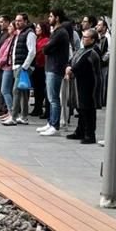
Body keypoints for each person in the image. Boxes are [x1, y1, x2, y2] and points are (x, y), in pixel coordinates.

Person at [38, 9, 71, 137]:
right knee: (51, 96)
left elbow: (46, 48)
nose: (49, 18)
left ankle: (55, 125)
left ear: (57, 18)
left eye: (51, 16)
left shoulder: (60, 33)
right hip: (51, 67)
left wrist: (46, 48)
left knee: (53, 98)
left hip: (55, 68)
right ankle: (50, 122)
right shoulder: (57, 32)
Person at [65, 29, 101, 144]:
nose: (83, 39)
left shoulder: (93, 52)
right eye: (83, 36)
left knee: (88, 109)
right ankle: (80, 131)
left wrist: (71, 69)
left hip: (89, 84)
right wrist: (68, 67)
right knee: (80, 108)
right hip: (78, 82)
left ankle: (90, 134)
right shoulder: (81, 50)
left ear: (93, 39)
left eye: (86, 37)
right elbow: (72, 61)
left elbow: (82, 64)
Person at [9, 13, 37, 125]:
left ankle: (14, 117)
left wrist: (24, 66)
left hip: (23, 66)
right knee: (23, 92)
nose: (17, 22)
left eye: (20, 20)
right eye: (16, 20)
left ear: (25, 21)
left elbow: (32, 52)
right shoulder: (19, 33)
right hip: (18, 65)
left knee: (15, 90)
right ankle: (24, 116)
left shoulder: (29, 33)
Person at [0, 23, 17, 125]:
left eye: (10, 26)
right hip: (5, 66)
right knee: (5, 90)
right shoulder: (9, 38)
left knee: (5, 90)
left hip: (8, 66)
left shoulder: (14, 39)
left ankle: (12, 112)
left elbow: (7, 53)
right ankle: (10, 112)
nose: (8, 28)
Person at [30, 22, 50, 119]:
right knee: (37, 89)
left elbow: (40, 52)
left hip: (41, 66)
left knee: (41, 88)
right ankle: (37, 107)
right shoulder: (37, 39)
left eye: (38, 27)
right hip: (36, 66)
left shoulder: (46, 40)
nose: (36, 29)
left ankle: (39, 107)